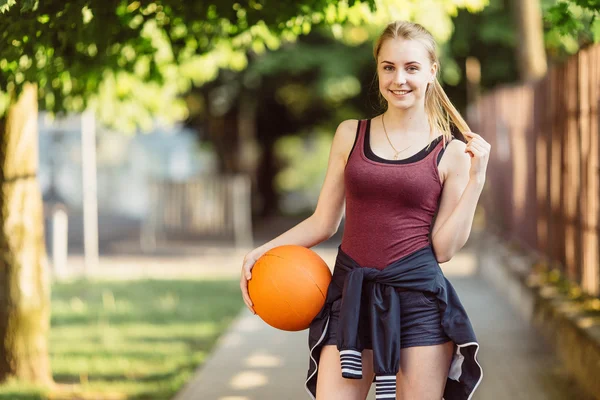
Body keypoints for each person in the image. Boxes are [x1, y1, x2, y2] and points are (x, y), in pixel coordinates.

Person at [240, 20, 489, 400]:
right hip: (350, 298)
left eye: (411, 67)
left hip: (418, 304)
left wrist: (477, 179)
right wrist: (260, 253)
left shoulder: (451, 152)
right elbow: (324, 222)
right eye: (388, 67)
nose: (399, 79)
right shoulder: (350, 134)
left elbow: (444, 249)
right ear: (377, 69)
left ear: (432, 71)